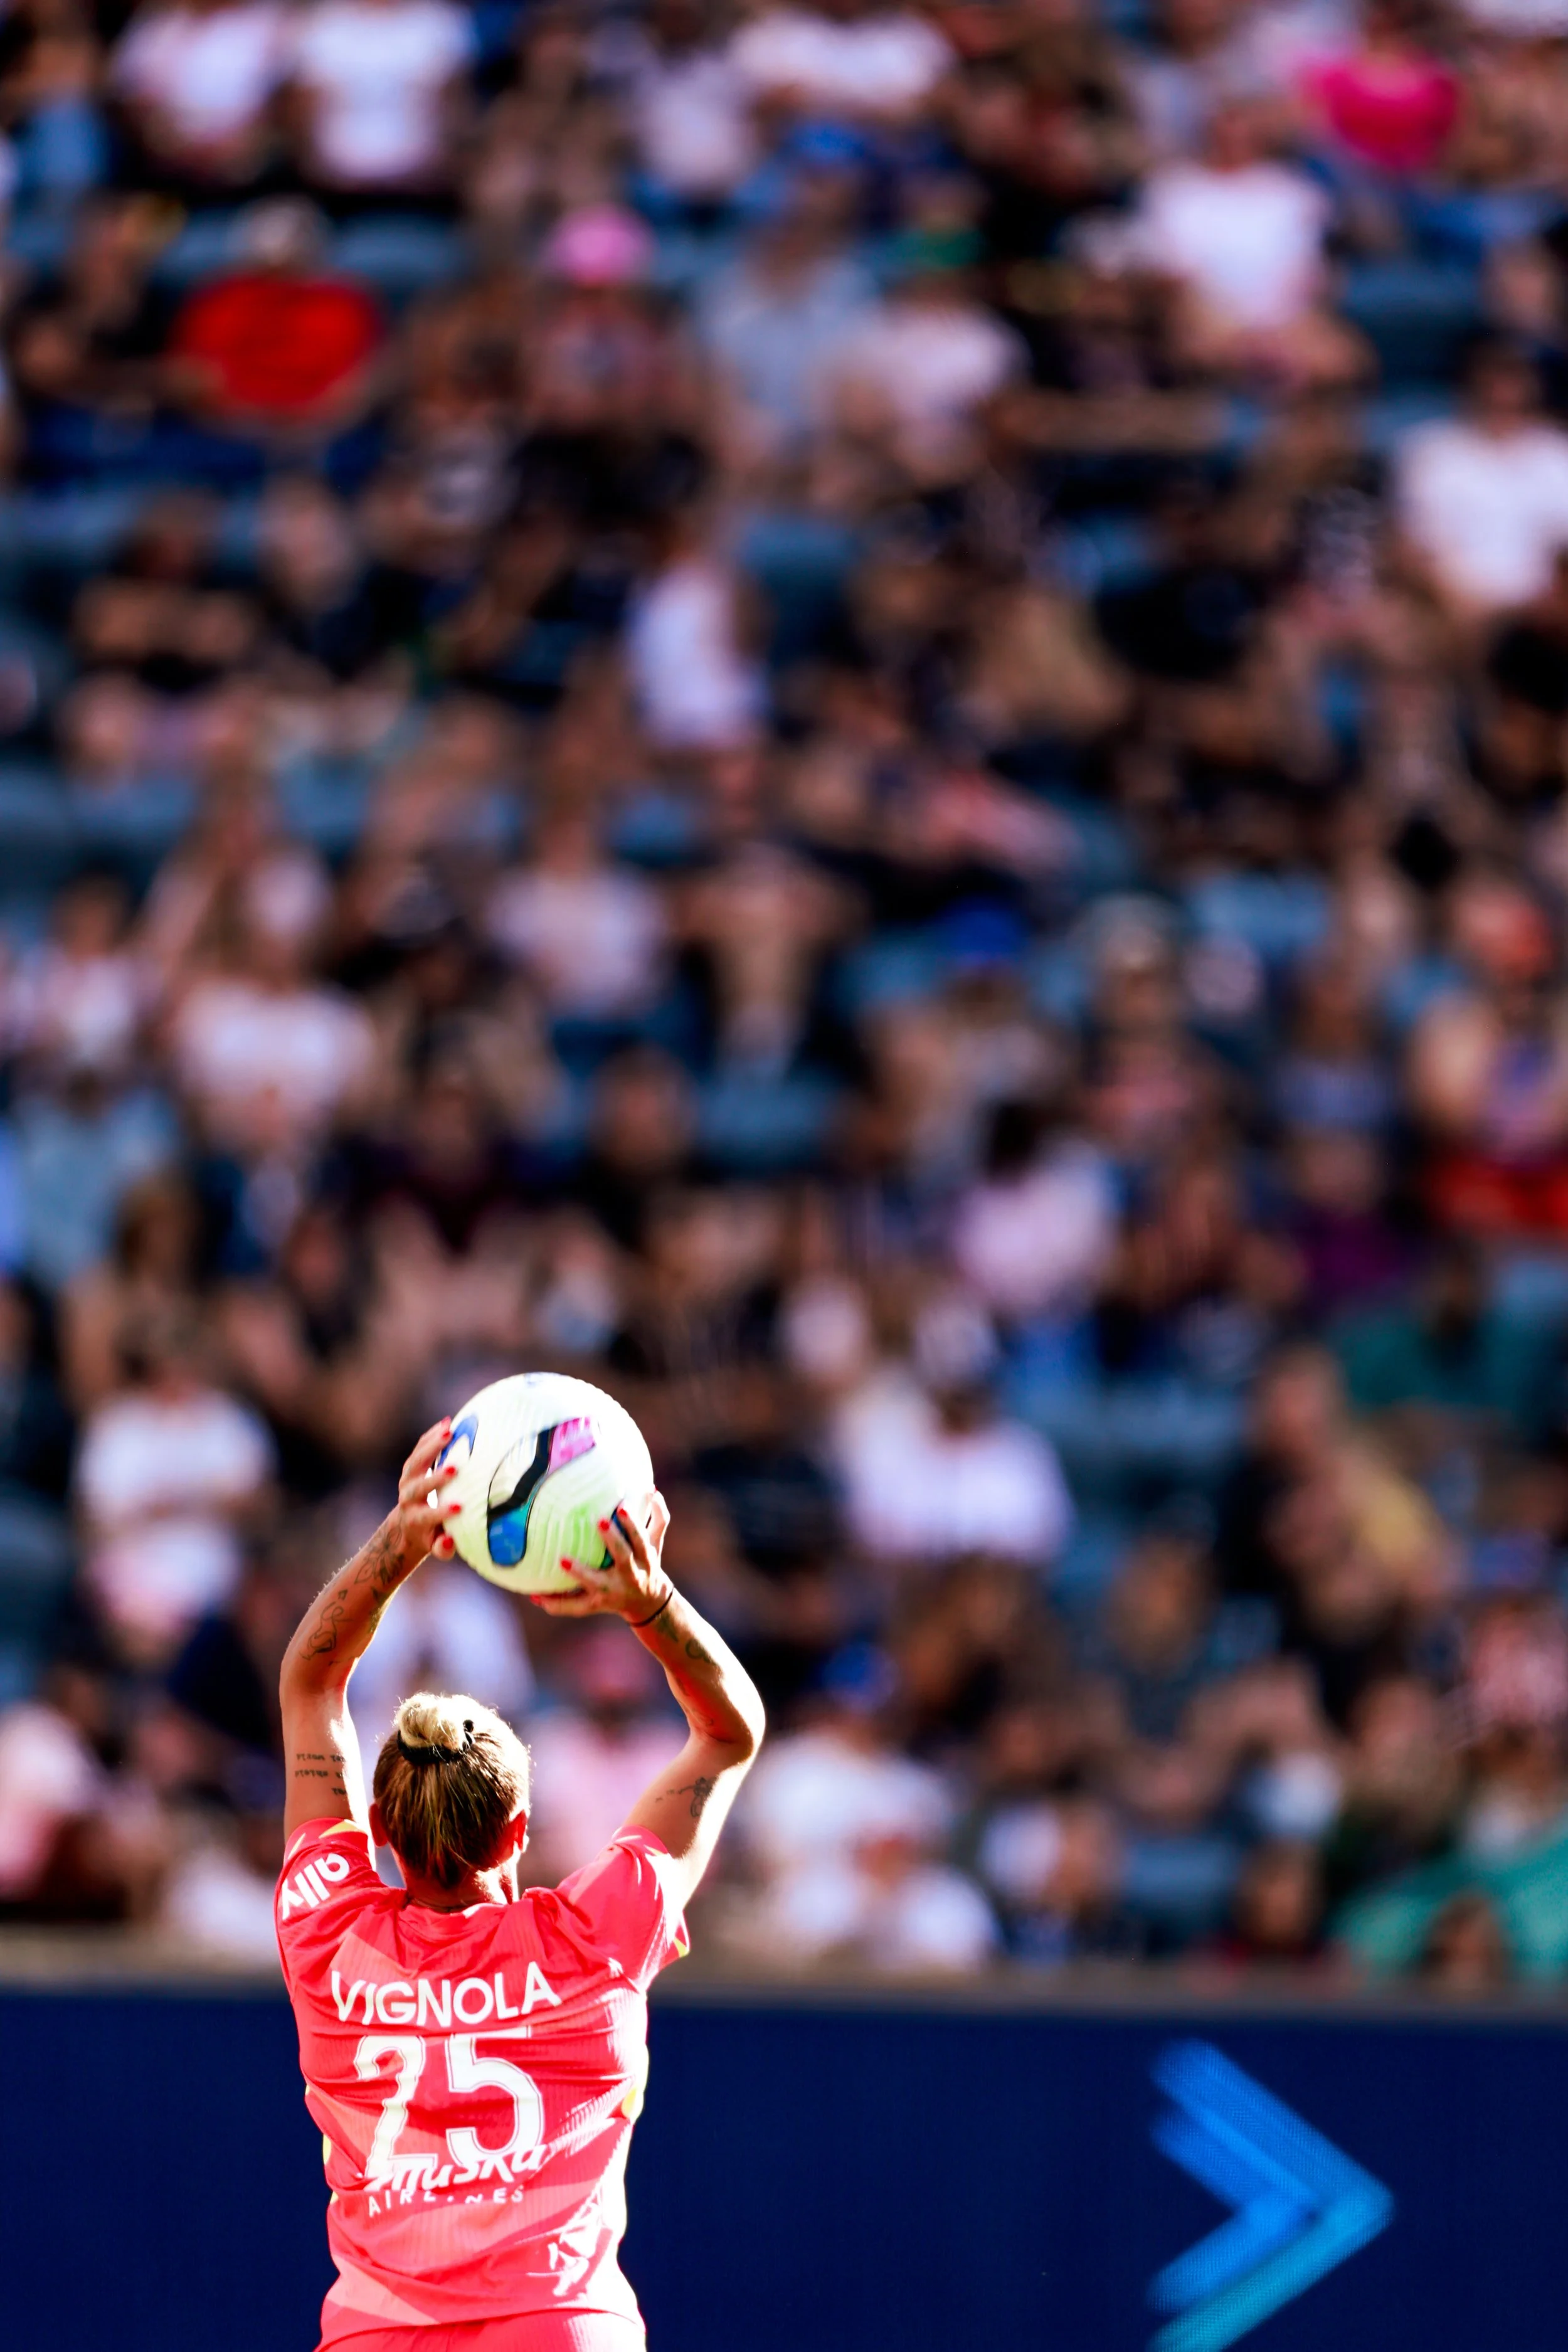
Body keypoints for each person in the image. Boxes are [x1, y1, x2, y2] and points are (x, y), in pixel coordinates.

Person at [275, 1419, 766, 2352]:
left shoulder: (327, 1939)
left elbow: (311, 1683)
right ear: (519, 1829)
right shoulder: (599, 1932)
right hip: (561, 2331)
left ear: (379, 1830)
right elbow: (729, 1733)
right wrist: (650, 1601)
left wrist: (402, 1541)